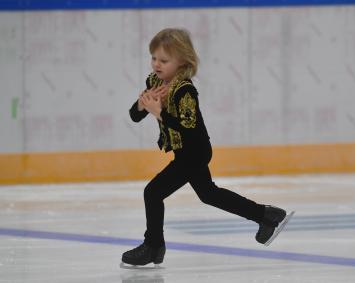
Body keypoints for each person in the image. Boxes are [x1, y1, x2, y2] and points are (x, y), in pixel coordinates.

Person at [122, 28, 292, 267]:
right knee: (209, 194)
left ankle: (153, 246)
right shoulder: (154, 81)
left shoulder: (185, 91)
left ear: (182, 61)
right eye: (154, 58)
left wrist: (159, 112)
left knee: (153, 192)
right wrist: (143, 103)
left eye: (164, 60)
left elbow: (188, 130)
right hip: (185, 152)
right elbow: (134, 116)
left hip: (196, 150)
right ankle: (267, 216)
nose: (156, 64)